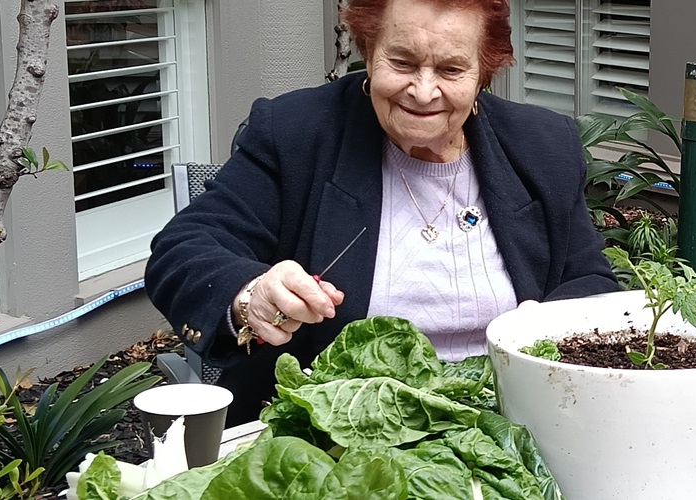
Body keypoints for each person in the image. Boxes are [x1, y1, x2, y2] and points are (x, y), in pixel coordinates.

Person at [145, 0, 618, 426]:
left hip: (516, 425)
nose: (423, 91)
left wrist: (544, 328)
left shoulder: (544, 145)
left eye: (451, 69)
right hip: (337, 429)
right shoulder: (295, 133)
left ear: (482, 75)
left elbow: (590, 280)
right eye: (402, 62)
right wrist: (252, 295)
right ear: (369, 53)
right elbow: (184, 250)